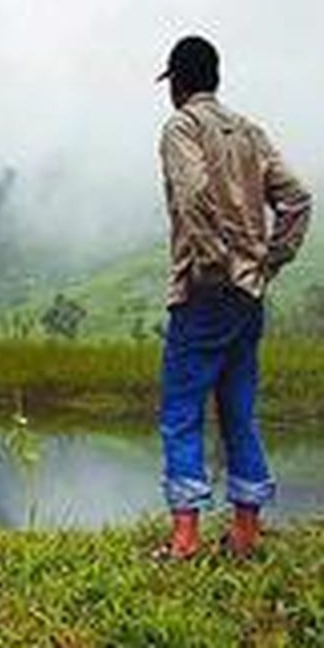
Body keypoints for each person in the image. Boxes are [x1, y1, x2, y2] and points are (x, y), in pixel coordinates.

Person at [154, 35, 312, 559]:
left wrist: (213, 261)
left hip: (206, 291)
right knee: (238, 412)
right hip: (249, 293)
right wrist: (268, 261)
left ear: (178, 82)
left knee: (181, 413)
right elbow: (297, 200)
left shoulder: (182, 127)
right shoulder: (249, 131)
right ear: (215, 78)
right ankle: (245, 535)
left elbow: (193, 194)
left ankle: (185, 541)